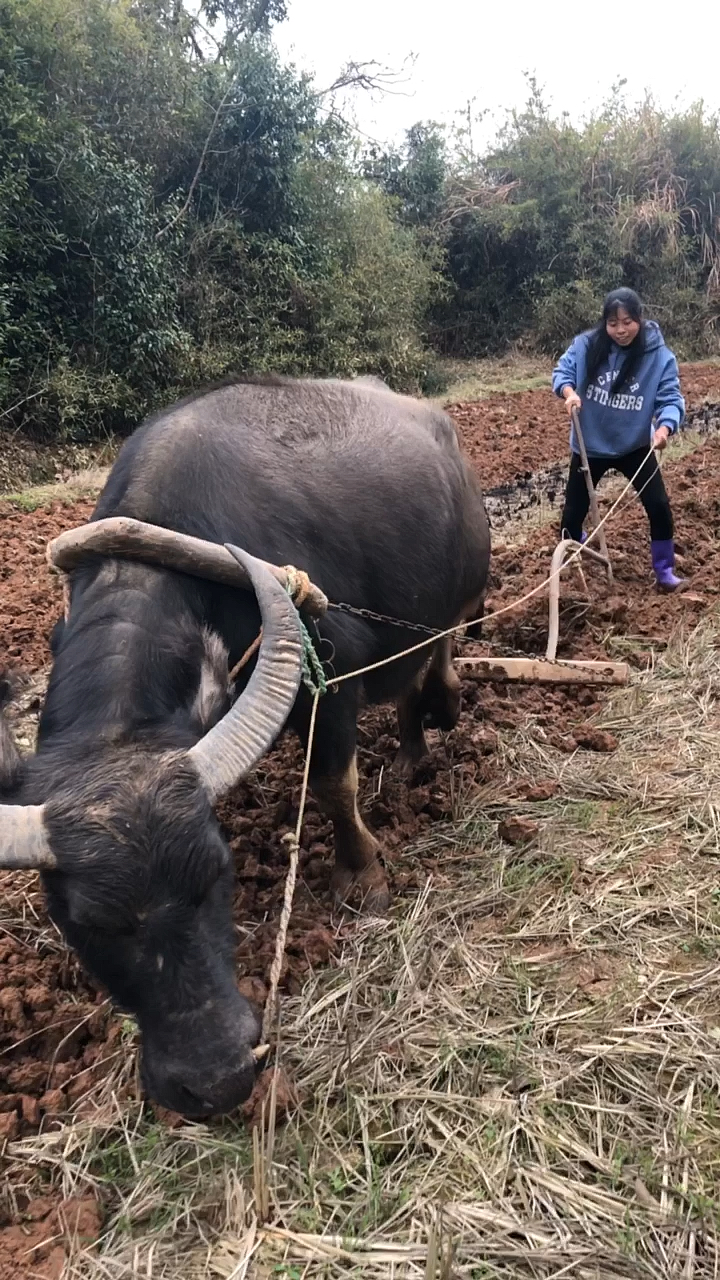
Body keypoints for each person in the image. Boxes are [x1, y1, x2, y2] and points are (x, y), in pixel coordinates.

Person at [552, 287, 685, 590]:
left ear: (639, 319)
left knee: (660, 507)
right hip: (590, 446)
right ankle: (575, 559)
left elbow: (670, 399)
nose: (621, 330)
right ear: (605, 323)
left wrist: (664, 428)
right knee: (571, 515)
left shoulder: (659, 357)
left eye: (627, 322)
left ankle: (664, 572)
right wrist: (569, 393)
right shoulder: (586, 345)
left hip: (635, 445)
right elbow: (562, 372)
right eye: (613, 323)